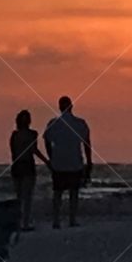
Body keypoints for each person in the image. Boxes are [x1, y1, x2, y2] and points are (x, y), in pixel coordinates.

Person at [43, 96, 92, 229]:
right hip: (75, 161)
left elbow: (46, 140)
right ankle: (72, 219)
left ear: (59, 107)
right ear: (71, 106)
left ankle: (56, 220)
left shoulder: (53, 123)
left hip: (59, 162)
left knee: (58, 193)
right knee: (73, 192)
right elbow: (87, 144)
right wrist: (89, 161)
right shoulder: (80, 123)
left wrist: (51, 156)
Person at [10, 110, 50, 230]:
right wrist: (47, 161)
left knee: (19, 197)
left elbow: (13, 153)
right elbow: (34, 150)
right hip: (27, 166)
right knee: (27, 197)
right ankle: (25, 223)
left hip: (17, 166)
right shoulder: (32, 134)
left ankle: (19, 222)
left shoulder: (14, 135)